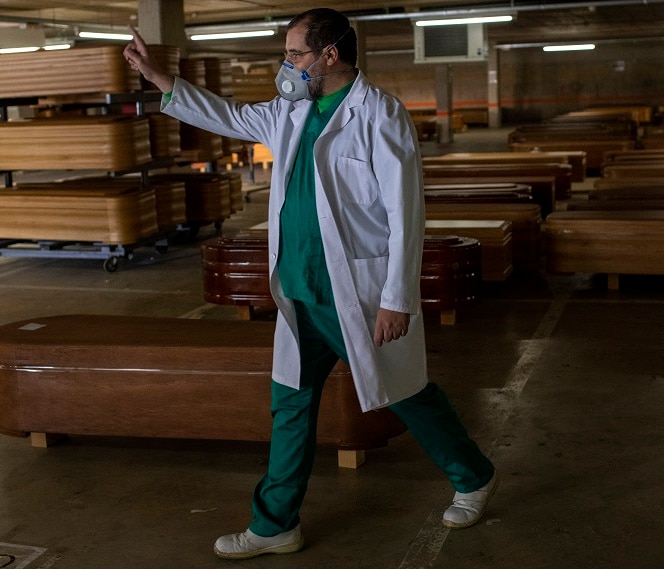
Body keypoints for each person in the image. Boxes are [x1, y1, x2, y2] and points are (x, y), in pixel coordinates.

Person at [124, 8, 498, 560]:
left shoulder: (380, 115)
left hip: (359, 292)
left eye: (295, 55)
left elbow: (405, 213)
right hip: (298, 288)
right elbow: (230, 117)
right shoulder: (290, 110)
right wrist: (162, 80)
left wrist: (397, 298)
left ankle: (473, 477)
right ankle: (275, 523)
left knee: (406, 394)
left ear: (330, 56)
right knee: (291, 405)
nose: (287, 65)